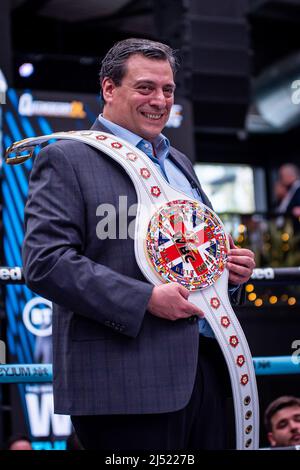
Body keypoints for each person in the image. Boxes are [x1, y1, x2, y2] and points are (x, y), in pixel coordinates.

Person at [22, 38, 255, 450]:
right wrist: (144, 298)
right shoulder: (67, 157)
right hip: (125, 382)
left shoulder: (178, 163)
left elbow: (194, 257)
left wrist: (227, 271)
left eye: (167, 89)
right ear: (109, 89)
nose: (160, 100)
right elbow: (46, 262)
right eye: (145, 87)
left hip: (209, 371)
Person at [276, 163, 300, 233]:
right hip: (287, 229)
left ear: (290, 175)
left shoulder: (297, 188)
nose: (281, 179)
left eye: (282, 176)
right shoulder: (290, 190)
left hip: (295, 230)